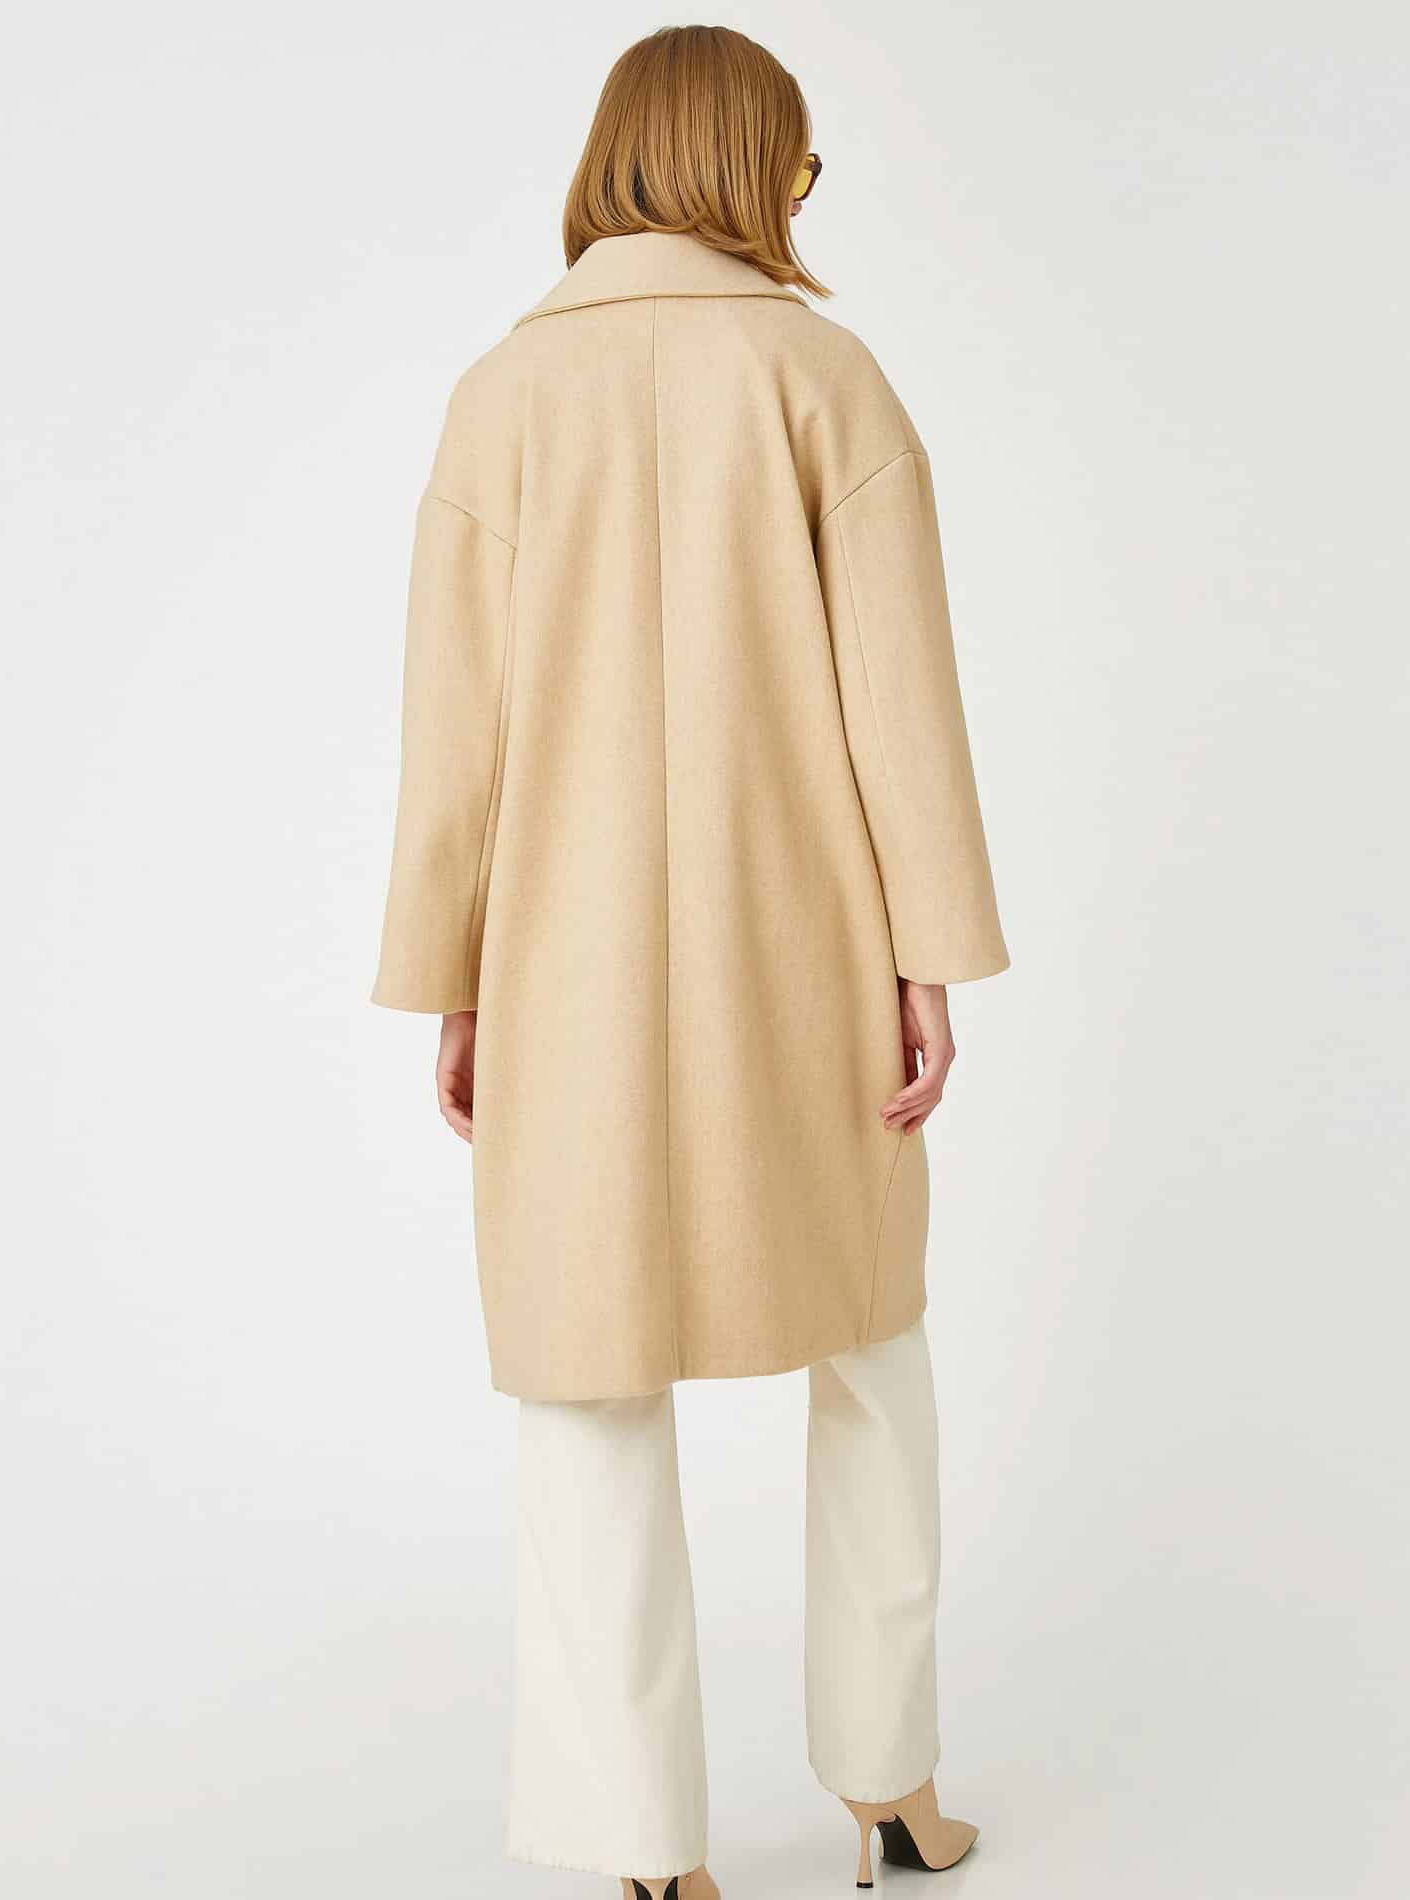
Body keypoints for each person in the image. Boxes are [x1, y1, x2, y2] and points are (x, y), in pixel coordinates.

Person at [373, 25, 1008, 1900]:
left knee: (585, 1384)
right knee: (873, 1347)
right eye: (800, 161)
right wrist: (926, 958)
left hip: (564, 966)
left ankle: (639, 1849)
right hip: (807, 953)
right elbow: (905, 708)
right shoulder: (825, 377)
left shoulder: (503, 396)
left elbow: (454, 736)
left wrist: (455, 975)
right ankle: (891, 1783)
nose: (806, 194)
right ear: (753, 164)